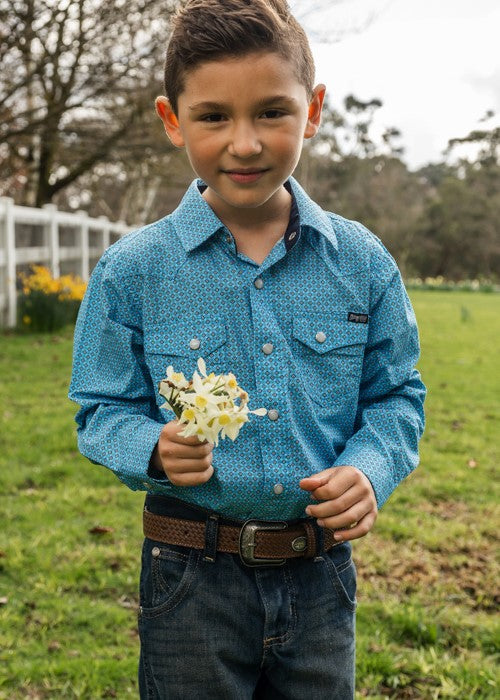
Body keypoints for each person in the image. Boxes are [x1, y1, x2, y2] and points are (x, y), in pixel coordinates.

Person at [69, 1, 426, 697]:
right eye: (213, 117)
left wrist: (371, 465)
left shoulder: (362, 262)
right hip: (188, 577)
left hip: (320, 574)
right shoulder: (132, 271)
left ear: (312, 110)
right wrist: (150, 448)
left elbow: (396, 396)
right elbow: (100, 409)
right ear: (172, 120)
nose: (245, 143)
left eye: (271, 112)